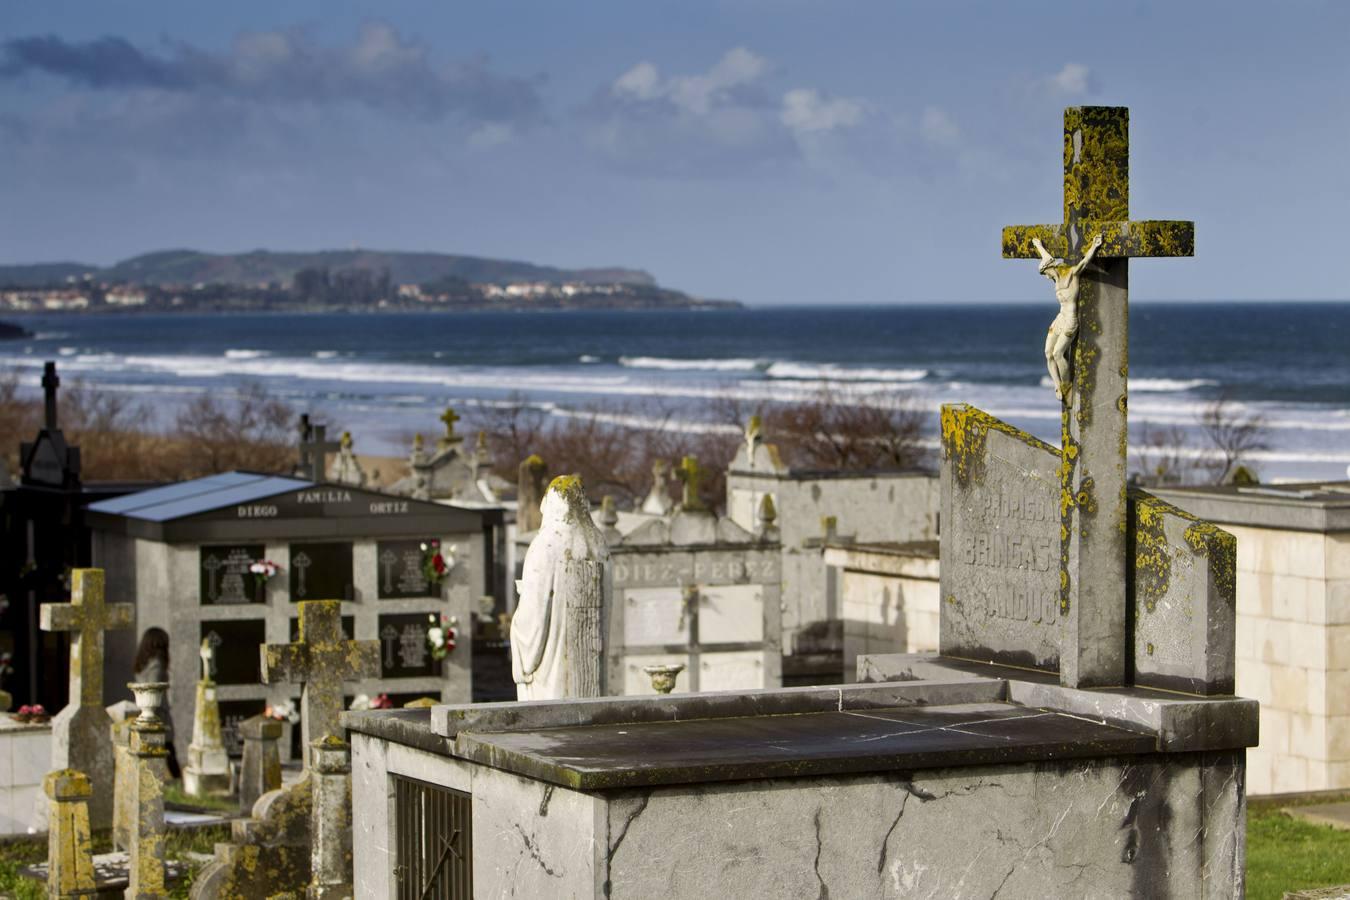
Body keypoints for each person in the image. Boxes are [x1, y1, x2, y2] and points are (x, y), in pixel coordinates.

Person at [1034, 232, 1104, 402]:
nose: (1047, 277)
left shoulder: (1072, 274)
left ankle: (1067, 385)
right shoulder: (1055, 280)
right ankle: (1057, 385)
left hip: (1071, 319)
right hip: (1060, 318)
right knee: (1048, 353)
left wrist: (1094, 246)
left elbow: (1084, 262)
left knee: (1058, 353)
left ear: (1050, 268)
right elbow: (1048, 258)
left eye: (1046, 273)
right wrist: (1039, 246)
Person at [132, 627, 181, 777]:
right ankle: (177, 782)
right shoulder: (156, 665)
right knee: (168, 749)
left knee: (163, 749)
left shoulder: (143, 663)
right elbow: (154, 688)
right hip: (158, 713)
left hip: (146, 711)